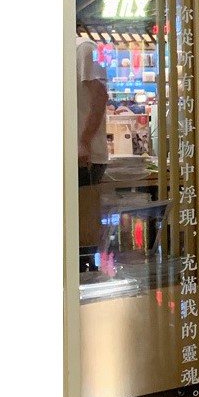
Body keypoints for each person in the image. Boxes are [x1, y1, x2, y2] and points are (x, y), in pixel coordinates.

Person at [76, 22, 110, 271]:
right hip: (74, 155)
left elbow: (100, 96)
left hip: (83, 158)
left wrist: (84, 140)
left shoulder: (84, 48)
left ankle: (85, 279)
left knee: (82, 235)